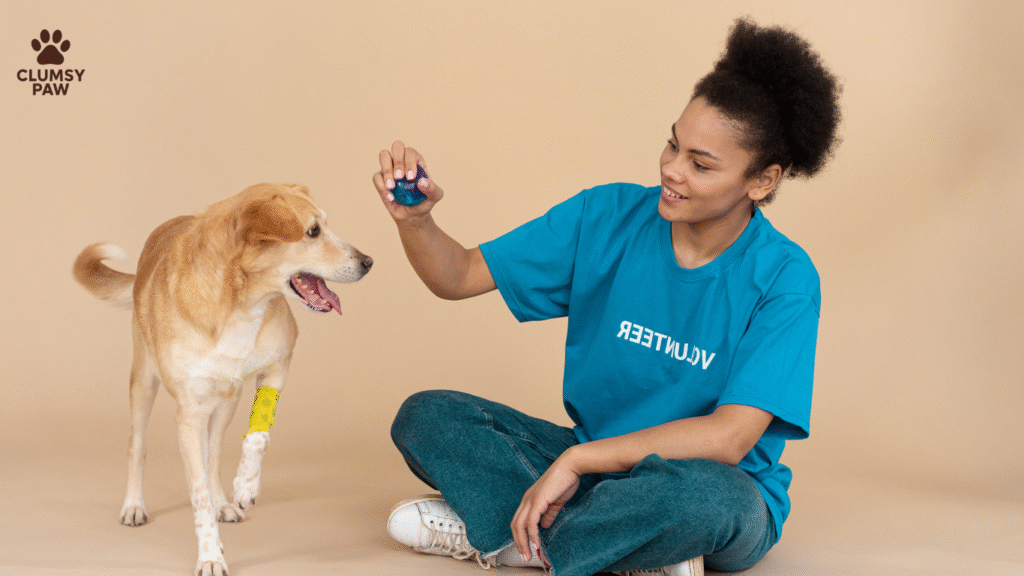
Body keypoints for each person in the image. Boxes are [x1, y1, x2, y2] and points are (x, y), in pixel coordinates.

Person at [374, 17, 841, 576]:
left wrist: (578, 458)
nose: (671, 170)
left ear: (762, 181)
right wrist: (416, 222)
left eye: (700, 165)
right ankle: (623, 550)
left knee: (711, 500)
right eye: (673, 144)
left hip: (707, 485)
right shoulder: (607, 216)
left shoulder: (785, 277)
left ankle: (508, 535)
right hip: (596, 470)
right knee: (427, 417)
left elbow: (729, 438)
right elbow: (459, 275)